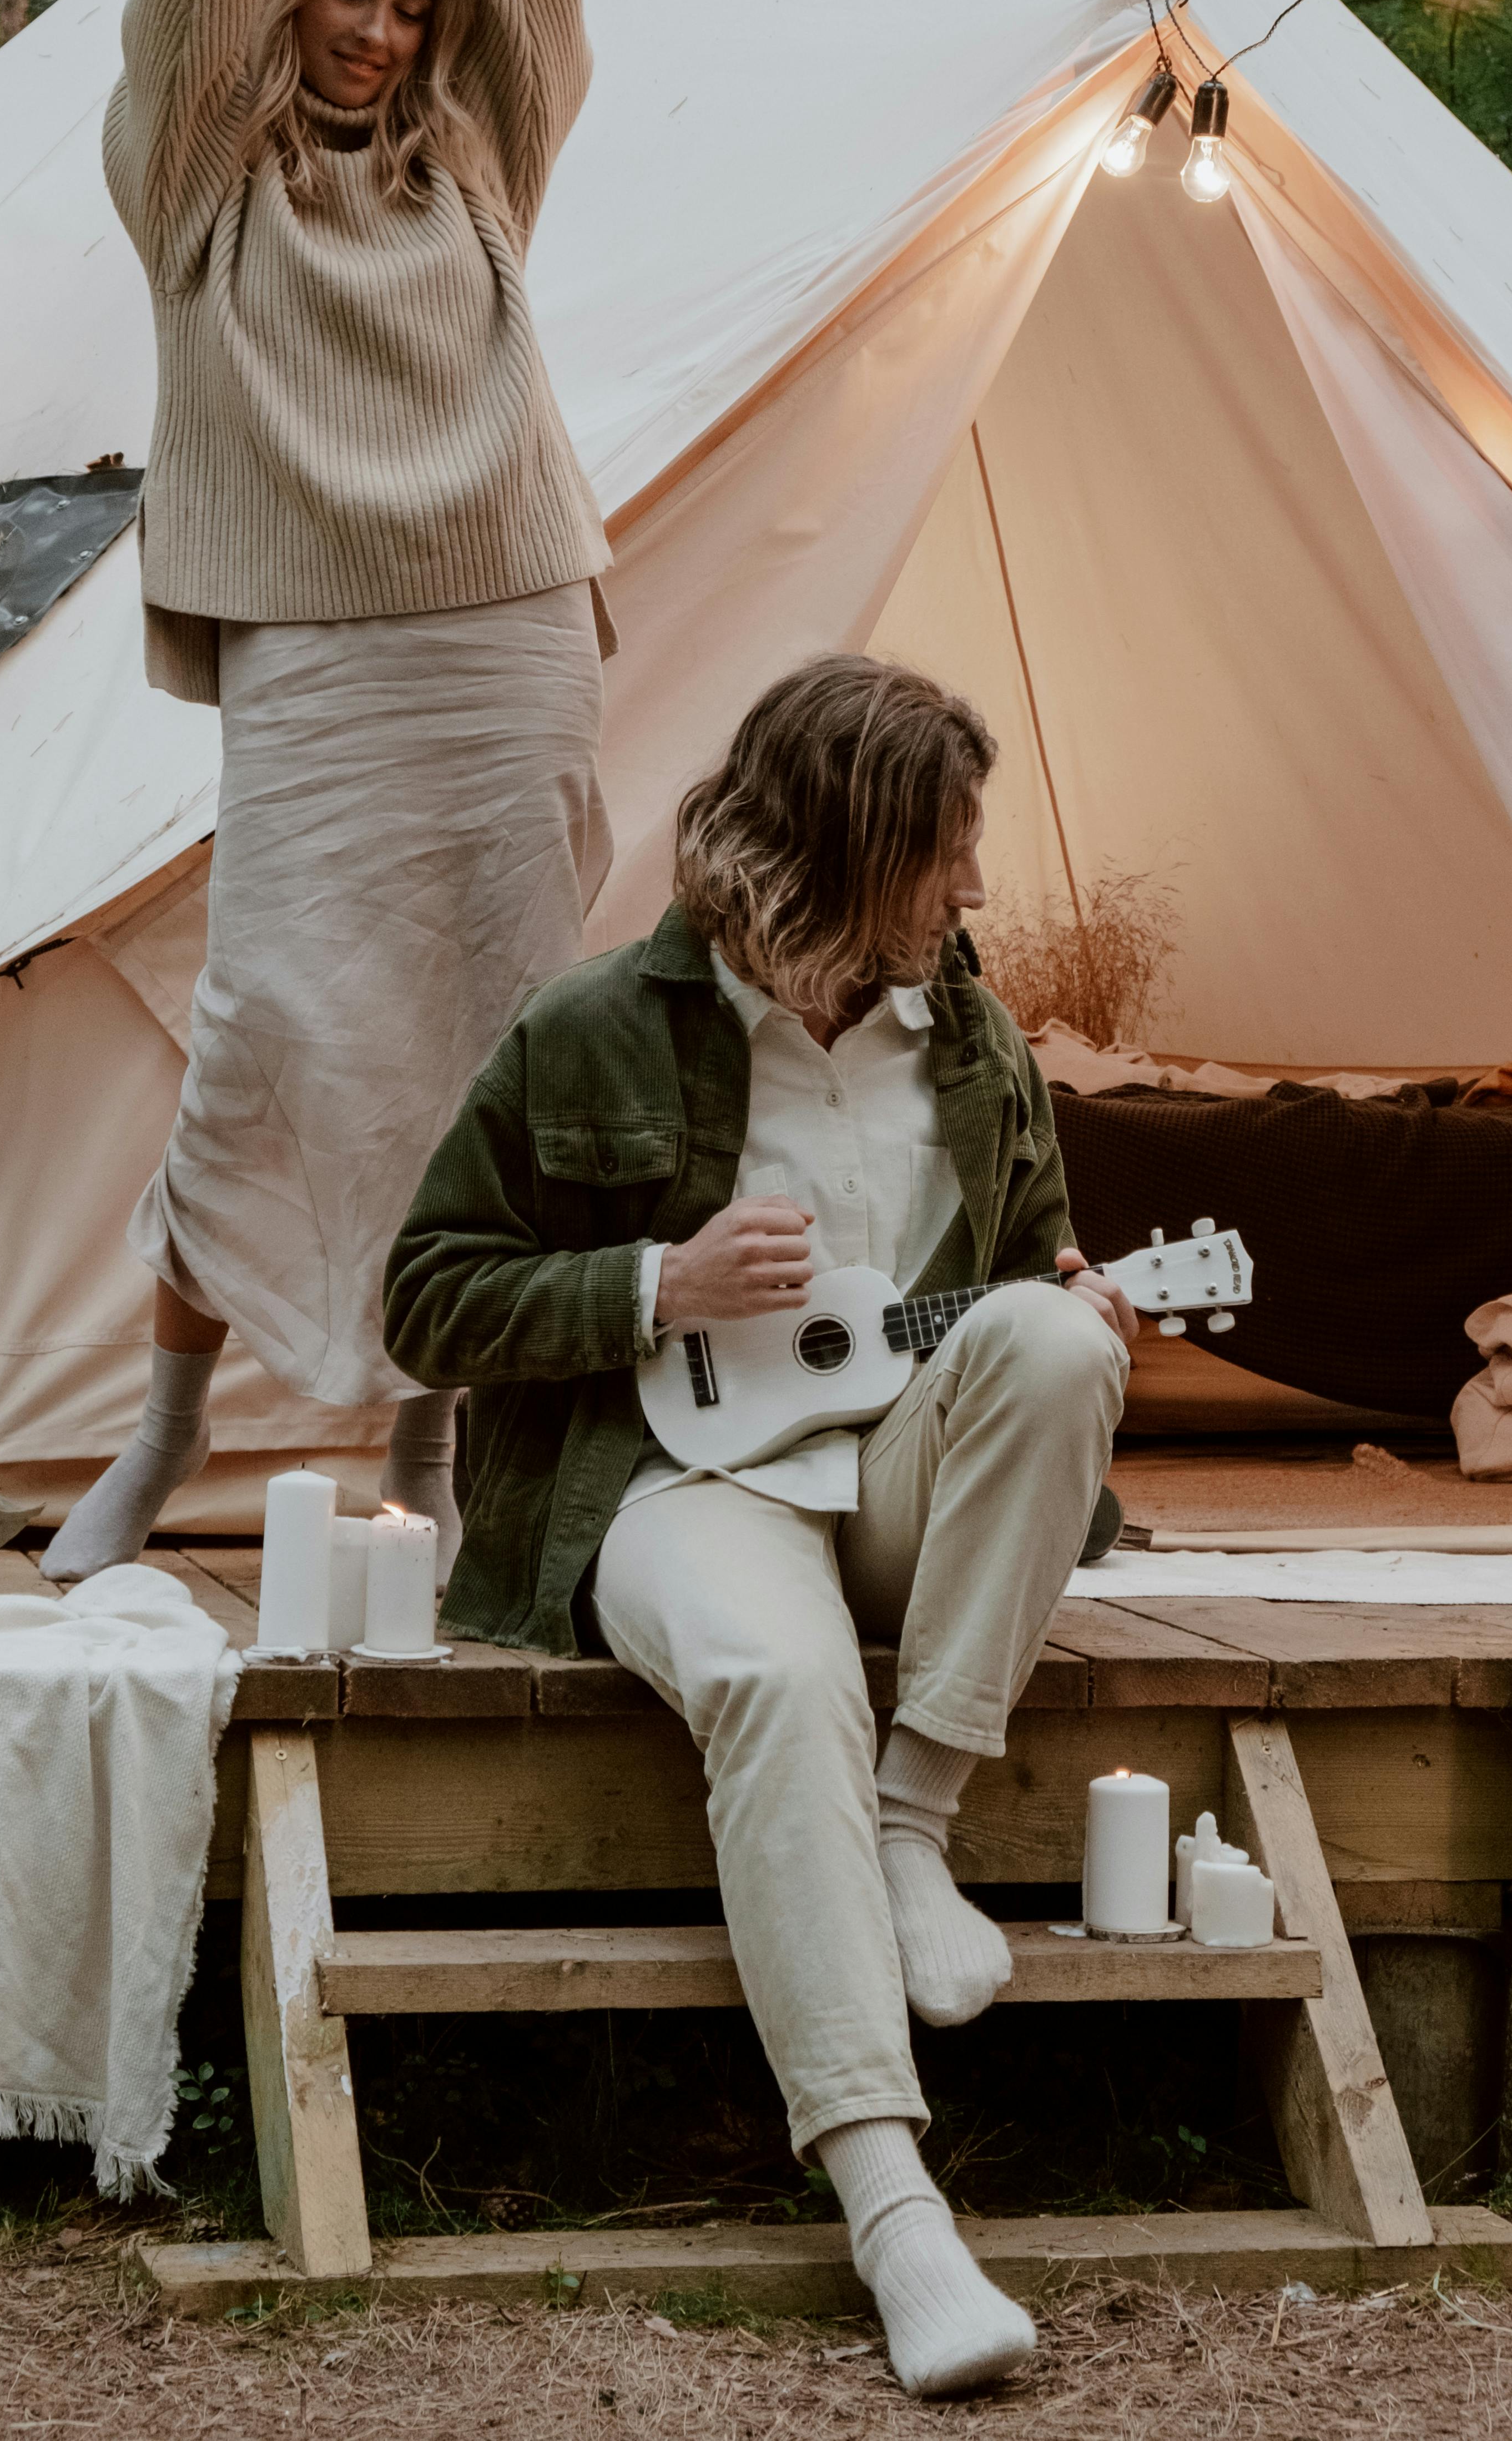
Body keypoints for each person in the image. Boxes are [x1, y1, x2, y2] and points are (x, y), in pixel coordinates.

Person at [384, 654, 1137, 2399]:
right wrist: (657, 1282)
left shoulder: (978, 1042)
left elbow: (1030, 1269)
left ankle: (912, 1823)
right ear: (842, 841)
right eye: (947, 847)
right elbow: (426, 1298)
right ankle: (895, 2207)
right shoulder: (593, 1024)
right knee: (781, 1683)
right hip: (669, 1487)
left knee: (1044, 1337)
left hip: (886, 1484)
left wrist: (1083, 1308)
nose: (974, 885)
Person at [45, 0, 613, 1586]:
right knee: (267, 1037)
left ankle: (433, 1454)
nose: (377, 28)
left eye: (405, 2)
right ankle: (164, 1437)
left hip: (507, 628)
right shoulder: (200, 173)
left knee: (491, 1046)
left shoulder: (477, 157)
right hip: (314, 658)